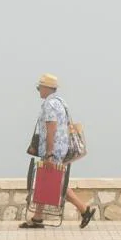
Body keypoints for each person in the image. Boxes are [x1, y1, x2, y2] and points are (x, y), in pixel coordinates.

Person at [20, 73, 95, 229]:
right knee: (48, 180)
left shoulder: (50, 105)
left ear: (47, 88)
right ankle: (38, 218)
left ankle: (84, 209)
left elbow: (51, 128)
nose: (38, 90)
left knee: (56, 183)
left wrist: (49, 153)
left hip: (53, 150)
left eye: (39, 87)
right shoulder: (61, 102)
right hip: (61, 148)